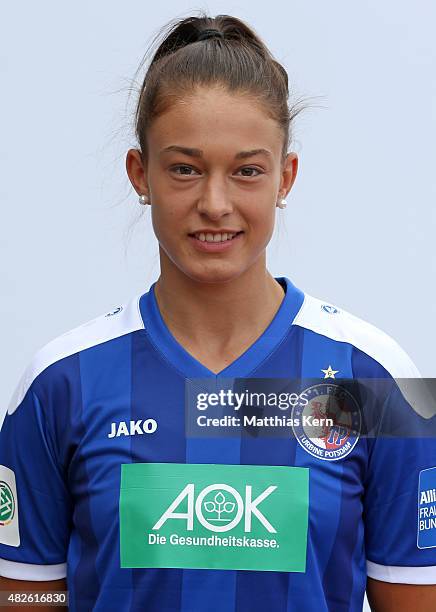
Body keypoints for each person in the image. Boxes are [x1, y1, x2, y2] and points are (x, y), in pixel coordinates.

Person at [1, 12, 435, 612]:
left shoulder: (380, 382)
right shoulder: (59, 383)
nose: (215, 203)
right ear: (139, 174)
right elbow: (27, 598)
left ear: (286, 177)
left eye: (247, 171)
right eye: (185, 168)